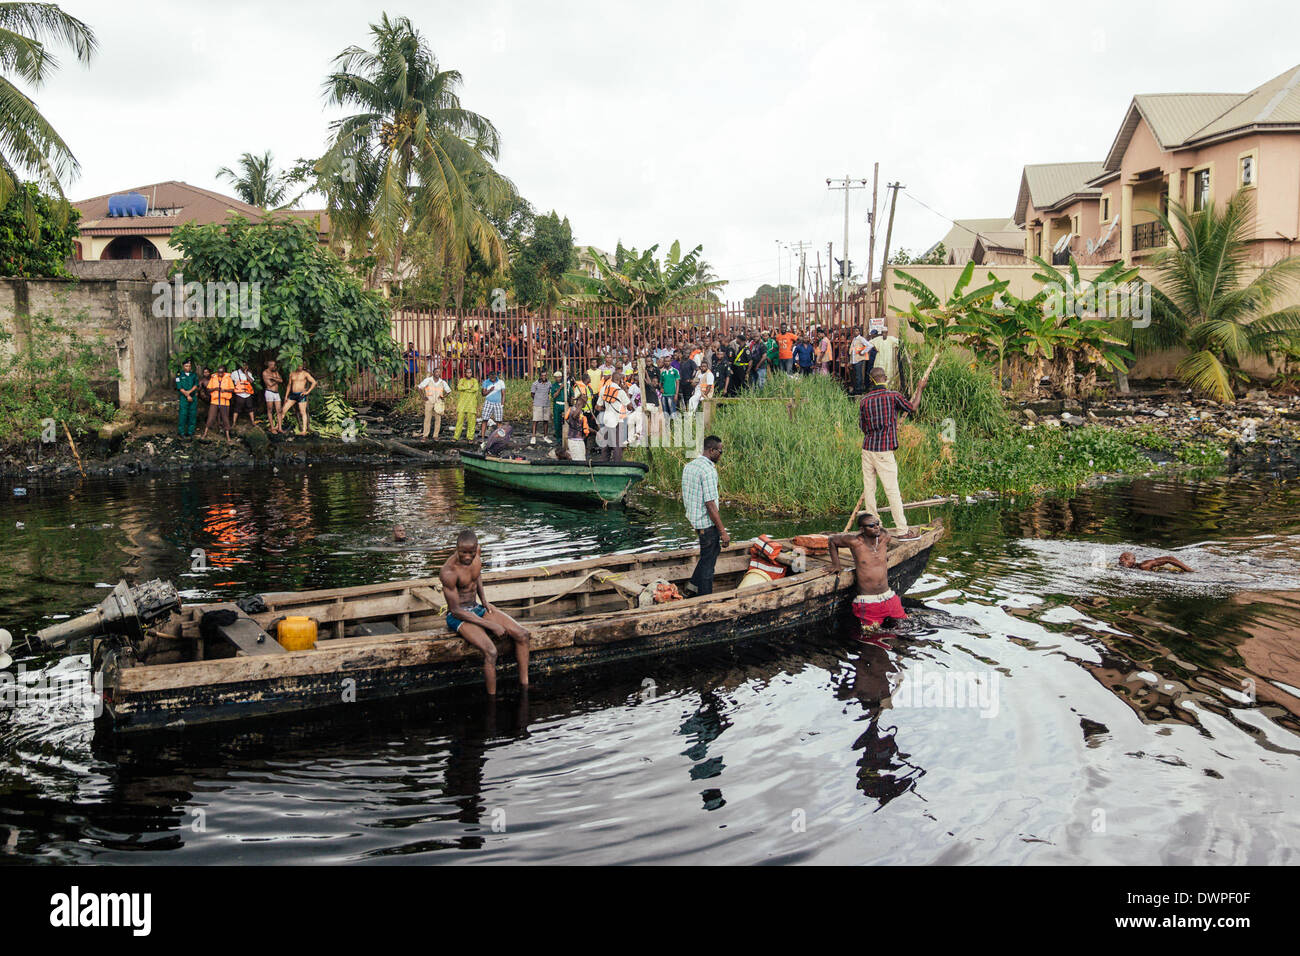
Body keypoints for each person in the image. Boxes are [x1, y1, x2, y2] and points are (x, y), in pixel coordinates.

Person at [440, 529, 530, 696]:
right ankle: (492, 701)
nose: (468, 557)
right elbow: (455, 610)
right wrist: (490, 624)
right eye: (463, 553)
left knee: (523, 635)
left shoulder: (477, 555)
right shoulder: (448, 572)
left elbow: (477, 576)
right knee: (491, 651)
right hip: (458, 616)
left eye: (471, 553)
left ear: (476, 549)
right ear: (457, 549)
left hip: (476, 607)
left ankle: (525, 688)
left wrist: (485, 601)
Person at [858, 366, 928, 540]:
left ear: (871, 380)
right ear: (885, 378)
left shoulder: (864, 400)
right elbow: (912, 407)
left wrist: (888, 425)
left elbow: (864, 428)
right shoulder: (893, 396)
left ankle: (872, 529)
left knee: (869, 490)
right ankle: (903, 530)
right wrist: (919, 388)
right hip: (883, 451)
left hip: (867, 449)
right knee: (892, 491)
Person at [828, 512, 907, 636]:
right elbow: (832, 540)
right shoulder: (855, 542)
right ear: (862, 529)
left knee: (905, 628)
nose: (876, 527)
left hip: (889, 597)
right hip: (869, 601)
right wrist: (836, 565)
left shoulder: (884, 537)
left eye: (877, 524)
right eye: (871, 525)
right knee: (871, 638)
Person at [682, 435, 729, 596]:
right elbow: (710, 504)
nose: (721, 455)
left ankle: (692, 587)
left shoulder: (690, 466)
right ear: (712, 450)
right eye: (720, 452)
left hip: (695, 521)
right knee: (709, 565)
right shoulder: (708, 471)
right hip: (706, 524)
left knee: (709, 553)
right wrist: (722, 531)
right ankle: (705, 599)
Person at [598, 368, 631, 462]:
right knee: (617, 445)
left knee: (606, 444)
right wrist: (626, 391)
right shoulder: (620, 391)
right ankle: (617, 465)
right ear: (619, 380)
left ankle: (604, 464)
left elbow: (598, 406)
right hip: (618, 421)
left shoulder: (604, 388)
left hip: (606, 419)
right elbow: (630, 407)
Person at [415, 366, 452, 440]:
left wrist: (443, 397)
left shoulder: (442, 382)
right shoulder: (428, 380)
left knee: (438, 419)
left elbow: (449, 391)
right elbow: (419, 388)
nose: (438, 373)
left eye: (439, 372)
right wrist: (423, 397)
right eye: (436, 372)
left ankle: (435, 436)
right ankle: (425, 435)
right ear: (433, 373)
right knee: (427, 419)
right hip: (429, 401)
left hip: (438, 403)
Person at [280, 365, 317, 435]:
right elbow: (289, 385)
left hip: (301, 395)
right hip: (293, 395)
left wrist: (307, 392)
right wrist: (286, 396)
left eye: (301, 366)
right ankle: (278, 427)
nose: (300, 367)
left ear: (303, 366)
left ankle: (304, 430)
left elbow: (314, 382)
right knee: (283, 410)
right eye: (298, 366)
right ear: (296, 366)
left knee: (302, 412)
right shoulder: (292, 373)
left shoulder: (305, 374)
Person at [201, 364, 235, 440]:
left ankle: (228, 437)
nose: (220, 374)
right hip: (215, 401)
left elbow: (233, 389)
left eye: (221, 372)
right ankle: (205, 433)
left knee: (225, 419)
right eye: (219, 372)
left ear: (224, 372)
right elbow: (209, 389)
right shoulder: (214, 378)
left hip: (225, 401)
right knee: (211, 417)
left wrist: (225, 390)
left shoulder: (228, 378)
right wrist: (215, 389)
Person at [175, 359, 199, 438]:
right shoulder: (179, 375)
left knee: (192, 414)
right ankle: (181, 432)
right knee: (183, 414)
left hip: (193, 398)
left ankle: (190, 432)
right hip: (184, 398)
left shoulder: (194, 375)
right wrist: (187, 395)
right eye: (186, 366)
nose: (188, 367)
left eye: (189, 366)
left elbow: (196, 385)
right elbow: (179, 387)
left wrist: (190, 392)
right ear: (183, 366)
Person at [230, 361, 257, 430]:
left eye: (246, 366)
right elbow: (230, 381)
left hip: (247, 394)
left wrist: (246, 374)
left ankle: (253, 422)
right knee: (237, 408)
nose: (245, 367)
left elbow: (251, 381)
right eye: (243, 365)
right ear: (240, 366)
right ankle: (234, 423)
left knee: (250, 407)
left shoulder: (249, 373)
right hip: (239, 394)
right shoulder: (235, 373)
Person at [453, 371, 479, 441]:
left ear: (472, 373)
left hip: (471, 404)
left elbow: (475, 389)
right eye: (467, 373)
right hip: (462, 404)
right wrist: (469, 388)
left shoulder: (475, 381)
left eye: (470, 372)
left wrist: (464, 388)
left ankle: (470, 438)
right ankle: (456, 437)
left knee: (471, 422)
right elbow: (459, 387)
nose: (469, 374)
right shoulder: (462, 380)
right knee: (459, 421)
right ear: (465, 374)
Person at [529, 368, 551, 445]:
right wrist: (538, 399)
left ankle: (545, 436)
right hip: (537, 404)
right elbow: (532, 394)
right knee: (536, 420)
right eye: (542, 375)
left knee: (546, 420)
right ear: (540, 376)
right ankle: (533, 437)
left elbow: (548, 392)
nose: (544, 377)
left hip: (546, 404)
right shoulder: (535, 384)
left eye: (545, 375)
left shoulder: (549, 383)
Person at [1119, 552, 1195, 573]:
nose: (1122, 560)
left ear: (1134, 560)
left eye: (1126, 558)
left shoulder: (1144, 565)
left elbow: (1169, 558)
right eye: (1121, 558)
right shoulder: (1119, 566)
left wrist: (1188, 569)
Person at [263, 360, 283, 434]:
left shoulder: (275, 372)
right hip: (269, 392)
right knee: (270, 410)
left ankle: (280, 428)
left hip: (276, 393)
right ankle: (272, 428)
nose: (274, 366)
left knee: (279, 410)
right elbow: (270, 384)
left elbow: (281, 380)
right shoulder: (265, 373)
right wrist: (276, 380)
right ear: (269, 365)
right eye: (273, 365)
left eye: (274, 365)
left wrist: (273, 378)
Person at [850, 327, 871, 394]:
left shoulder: (861, 339)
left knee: (858, 376)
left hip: (859, 359)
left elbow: (869, 345)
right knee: (855, 375)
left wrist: (862, 352)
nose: (855, 332)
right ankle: (856, 389)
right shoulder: (854, 339)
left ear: (859, 332)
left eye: (856, 331)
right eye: (854, 331)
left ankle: (859, 390)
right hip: (854, 359)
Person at [550, 370, 566, 445]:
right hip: (557, 405)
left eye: (559, 377)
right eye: (556, 377)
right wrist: (560, 388)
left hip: (565, 404)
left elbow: (571, 395)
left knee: (566, 422)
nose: (558, 379)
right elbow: (554, 396)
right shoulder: (554, 386)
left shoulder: (566, 385)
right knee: (557, 422)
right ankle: (559, 439)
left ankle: (565, 438)